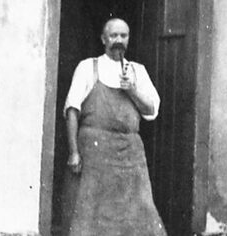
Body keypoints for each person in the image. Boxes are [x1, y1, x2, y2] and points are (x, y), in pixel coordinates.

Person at [63, 17, 166, 236]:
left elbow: (152, 110)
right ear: (103, 39)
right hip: (95, 153)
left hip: (130, 154)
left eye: (123, 35)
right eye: (113, 35)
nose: (119, 40)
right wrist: (74, 152)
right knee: (91, 214)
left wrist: (132, 90)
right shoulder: (88, 67)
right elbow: (72, 110)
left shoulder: (137, 70)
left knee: (137, 213)